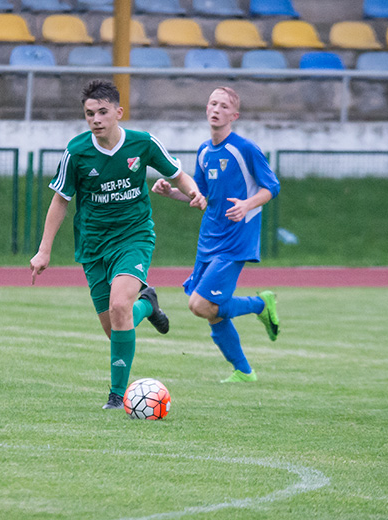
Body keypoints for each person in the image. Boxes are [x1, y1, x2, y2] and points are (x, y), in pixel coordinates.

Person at [30, 79, 207, 409]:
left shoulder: (143, 144)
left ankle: (117, 395)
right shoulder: (77, 152)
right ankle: (148, 304)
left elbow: (178, 175)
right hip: (93, 246)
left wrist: (195, 192)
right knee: (116, 329)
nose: (95, 119)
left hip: (133, 238)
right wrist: (44, 249)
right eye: (89, 114)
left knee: (119, 307)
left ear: (118, 112)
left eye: (102, 112)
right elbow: (60, 200)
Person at [152, 86, 281, 383]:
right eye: (212, 103)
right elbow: (201, 195)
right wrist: (172, 192)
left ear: (234, 115)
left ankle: (260, 304)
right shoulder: (204, 151)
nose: (216, 109)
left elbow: (271, 186)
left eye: (223, 106)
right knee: (212, 311)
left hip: (236, 239)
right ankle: (244, 372)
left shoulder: (244, 148)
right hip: (209, 239)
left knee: (198, 304)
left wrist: (248, 204)